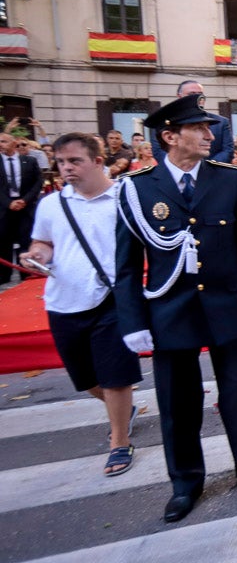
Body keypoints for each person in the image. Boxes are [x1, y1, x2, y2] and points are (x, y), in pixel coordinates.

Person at [115, 94, 237, 523]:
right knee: (178, 402)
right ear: (170, 136)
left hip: (227, 303)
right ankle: (186, 483)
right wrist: (133, 321)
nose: (211, 136)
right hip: (172, 310)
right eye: (200, 129)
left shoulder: (226, 179)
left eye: (210, 128)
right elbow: (128, 266)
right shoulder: (138, 188)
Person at [21, 132, 141, 476]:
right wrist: (36, 255)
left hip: (111, 297)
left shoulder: (123, 198)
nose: (66, 168)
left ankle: (119, 442)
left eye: (75, 161)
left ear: (98, 161)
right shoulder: (51, 204)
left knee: (116, 375)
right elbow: (43, 242)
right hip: (64, 300)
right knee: (85, 377)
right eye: (61, 162)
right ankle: (123, 411)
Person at [152, 80, 234, 164]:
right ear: (179, 96)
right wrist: (179, 166)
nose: (197, 97)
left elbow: (227, 150)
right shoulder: (164, 122)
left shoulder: (221, 122)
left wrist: (205, 168)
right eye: (192, 94)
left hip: (213, 174)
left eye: (200, 94)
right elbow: (158, 151)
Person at [0, 132, 43, 283]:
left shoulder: (29, 161)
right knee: (4, 242)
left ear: (14, 143)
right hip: (4, 209)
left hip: (25, 208)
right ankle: (4, 276)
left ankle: (26, 273)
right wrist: (8, 202)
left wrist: (25, 200)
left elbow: (38, 182)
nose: (1, 144)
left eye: (4, 141)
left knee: (26, 241)